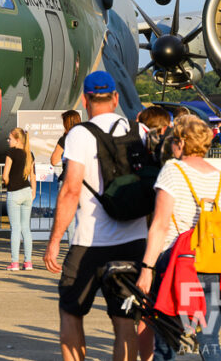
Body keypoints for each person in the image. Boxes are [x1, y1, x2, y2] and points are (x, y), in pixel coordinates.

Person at [43, 71, 148, 361]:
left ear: (85, 100)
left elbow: (70, 190)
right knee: (125, 319)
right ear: (115, 98)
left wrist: (54, 241)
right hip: (135, 241)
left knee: (70, 312)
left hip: (90, 242)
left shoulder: (79, 134)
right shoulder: (139, 131)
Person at [137, 114, 221, 361]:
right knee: (208, 340)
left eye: (173, 140)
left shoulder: (173, 170)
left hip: (175, 264)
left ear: (181, 143)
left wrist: (146, 268)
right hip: (211, 266)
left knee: (166, 340)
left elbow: (160, 225)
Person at [3, 127, 36, 271]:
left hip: (14, 193)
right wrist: (33, 192)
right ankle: (28, 262)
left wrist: (8, 184)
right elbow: (33, 176)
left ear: (17, 140)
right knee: (26, 228)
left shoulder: (11, 153)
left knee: (15, 228)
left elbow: (5, 175)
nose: (8, 141)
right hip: (27, 192)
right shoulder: (30, 154)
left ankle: (15, 262)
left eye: (9, 138)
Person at [51, 109, 82, 244]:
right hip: (83, 181)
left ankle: (71, 250)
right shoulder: (86, 137)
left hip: (67, 180)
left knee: (69, 220)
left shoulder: (65, 139)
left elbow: (53, 160)